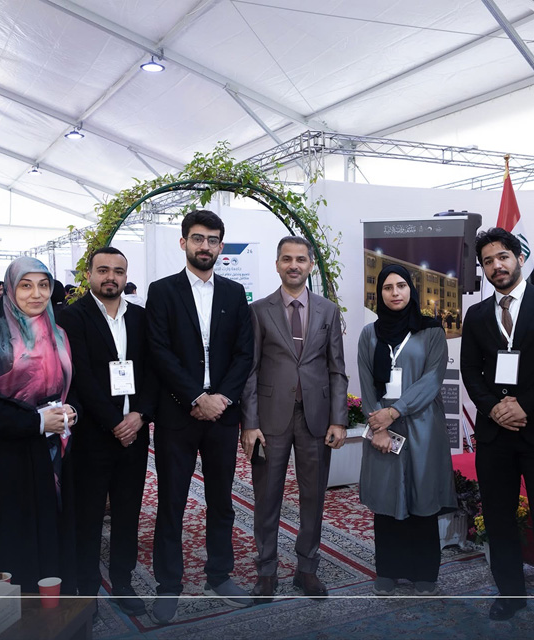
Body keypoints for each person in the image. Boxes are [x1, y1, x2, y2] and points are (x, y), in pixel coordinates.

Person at [460, 228, 534, 639]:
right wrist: (494, 408)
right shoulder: (477, 315)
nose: (497, 266)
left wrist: (525, 405)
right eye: (488, 261)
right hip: (495, 436)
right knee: (498, 519)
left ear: (519, 258)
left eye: (503, 257)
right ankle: (510, 594)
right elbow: (470, 371)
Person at [146, 209, 254, 624]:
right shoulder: (162, 291)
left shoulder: (234, 293)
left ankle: (219, 575)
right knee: (172, 502)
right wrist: (195, 396)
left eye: (212, 239)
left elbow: (244, 352)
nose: (204, 246)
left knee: (221, 501)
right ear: (183, 242)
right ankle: (168, 584)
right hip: (178, 414)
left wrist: (221, 398)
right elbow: (159, 351)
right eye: (197, 238)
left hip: (222, 416)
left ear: (221, 246)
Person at [0, 257, 79, 594]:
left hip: (50, 452)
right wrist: (36, 421)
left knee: (51, 529)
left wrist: (71, 412)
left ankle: (53, 604)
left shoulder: (59, 335)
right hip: (1, 459)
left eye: (43, 285)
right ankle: (12, 608)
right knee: (12, 536)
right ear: (9, 290)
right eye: (26, 286)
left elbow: (73, 389)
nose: (36, 294)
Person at [241, 236, 348, 599]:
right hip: (270, 419)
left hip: (315, 418)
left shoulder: (328, 311)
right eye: (287, 259)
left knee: (313, 497)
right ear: (277, 265)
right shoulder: (258, 311)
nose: (294, 265)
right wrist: (249, 423)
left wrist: (339, 419)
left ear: (310, 265)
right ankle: (266, 571)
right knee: (267, 496)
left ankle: (307, 569)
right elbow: (250, 370)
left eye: (301, 259)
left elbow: (337, 369)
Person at [55, 247, 155, 616]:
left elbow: (154, 371)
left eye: (118, 270)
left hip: (135, 433)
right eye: (103, 270)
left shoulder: (142, 317)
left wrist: (140, 415)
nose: (110, 277)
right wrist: (114, 422)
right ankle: (87, 590)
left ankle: (123, 582)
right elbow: (80, 376)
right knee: (89, 515)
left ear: (126, 276)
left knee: (129, 512)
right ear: (89, 275)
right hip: (93, 436)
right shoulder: (71, 317)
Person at [357, 264, 456, 596]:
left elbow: (432, 380)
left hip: (422, 427)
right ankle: (388, 571)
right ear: (379, 294)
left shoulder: (431, 331)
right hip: (381, 430)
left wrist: (395, 411)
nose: (395, 293)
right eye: (387, 288)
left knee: (422, 499)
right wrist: (378, 426)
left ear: (411, 290)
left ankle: (425, 573)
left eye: (401, 286)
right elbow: (366, 382)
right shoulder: (369, 334)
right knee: (386, 500)